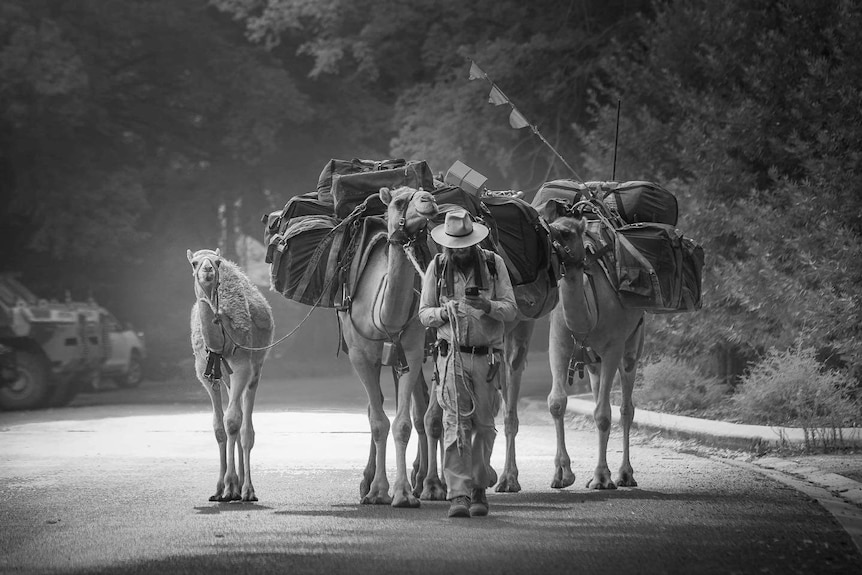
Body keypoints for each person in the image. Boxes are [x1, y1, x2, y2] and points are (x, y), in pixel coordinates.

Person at [419, 209, 517, 518]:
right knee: (454, 425)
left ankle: (478, 489)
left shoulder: (493, 264)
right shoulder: (437, 266)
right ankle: (458, 494)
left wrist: (487, 305)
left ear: (473, 242)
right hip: (450, 357)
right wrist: (441, 314)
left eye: (464, 244)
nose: (459, 250)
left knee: (485, 427)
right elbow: (424, 312)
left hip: (486, 357)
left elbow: (511, 310)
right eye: (454, 245)